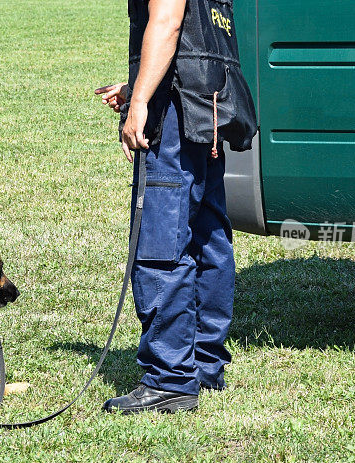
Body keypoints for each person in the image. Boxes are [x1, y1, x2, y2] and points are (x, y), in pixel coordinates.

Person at [94, 0, 257, 414]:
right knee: (208, 240)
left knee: (160, 247)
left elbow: (166, 21)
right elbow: (194, 44)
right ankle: (204, 364)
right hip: (207, 114)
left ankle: (170, 379)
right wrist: (137, 87)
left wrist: (141, 102)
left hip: (175, 121)